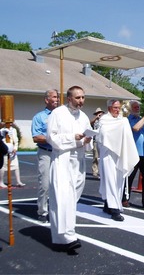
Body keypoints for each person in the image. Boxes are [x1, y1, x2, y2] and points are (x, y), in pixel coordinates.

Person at [47, 86, 92, 253]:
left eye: (83, 97)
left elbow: (87, 141)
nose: (81, 101)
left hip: (78, 161)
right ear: (69, 98)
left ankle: (61, 238)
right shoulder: (57, 114)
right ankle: (68, 236)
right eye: (78, 98)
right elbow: (51, 138)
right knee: (62, 198)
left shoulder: (84, 116)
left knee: (72, 199)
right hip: (62, 160)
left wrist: (87, 140)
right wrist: (72, 137)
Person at [97, 99, 139, 221]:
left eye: (118, 108)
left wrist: (122, 124)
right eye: (115, 108)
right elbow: (104, 135)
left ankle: (107, 205)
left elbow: (127, 136)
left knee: (118, 181)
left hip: (120, 154)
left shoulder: (123, 120)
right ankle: (115, 209)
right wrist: (119, 128)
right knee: (109, 180)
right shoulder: (104, 120)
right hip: (108, 154)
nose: (117, 110)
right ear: (109, 108)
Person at [31, 89, 59, 222]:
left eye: (57, 97)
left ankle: (56, 209)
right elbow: (36, 137)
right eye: (54, 97)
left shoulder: (61, 116)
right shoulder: (39, 117)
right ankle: (42, 211)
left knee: (59, 183)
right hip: (46, 153)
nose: (57, 99)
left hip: (59, 153)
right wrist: (52, 138)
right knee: (45, 184)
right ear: (46, 100)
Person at [121, 100, 144, 210]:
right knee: (130, 177)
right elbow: (135, 128)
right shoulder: (128, 120)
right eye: (135, 107)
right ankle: (125, 198)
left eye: (138, 107)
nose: (137, 108)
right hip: (133, 152)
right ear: (130, 109)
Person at [0, 123, 25, 188]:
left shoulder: (14, 130)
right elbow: (2, 141)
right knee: (3, 166)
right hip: (5, 150)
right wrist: (6, 148)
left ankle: (18, 181)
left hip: (12, 151)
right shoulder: (2, 130)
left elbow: (16, 141)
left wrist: (15, 148)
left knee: (16, 166)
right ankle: (1, 182)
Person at [90, 107, 105, 179]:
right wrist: (96, 118)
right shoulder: (95, 121)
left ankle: (102, 172)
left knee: (102, 157)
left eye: (100, 113)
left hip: (102, 141)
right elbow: (90, 123)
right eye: (98, 113)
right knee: (95, 157)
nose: (100, 115)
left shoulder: (104, 121)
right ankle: (95, 171)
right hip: (95, 141)